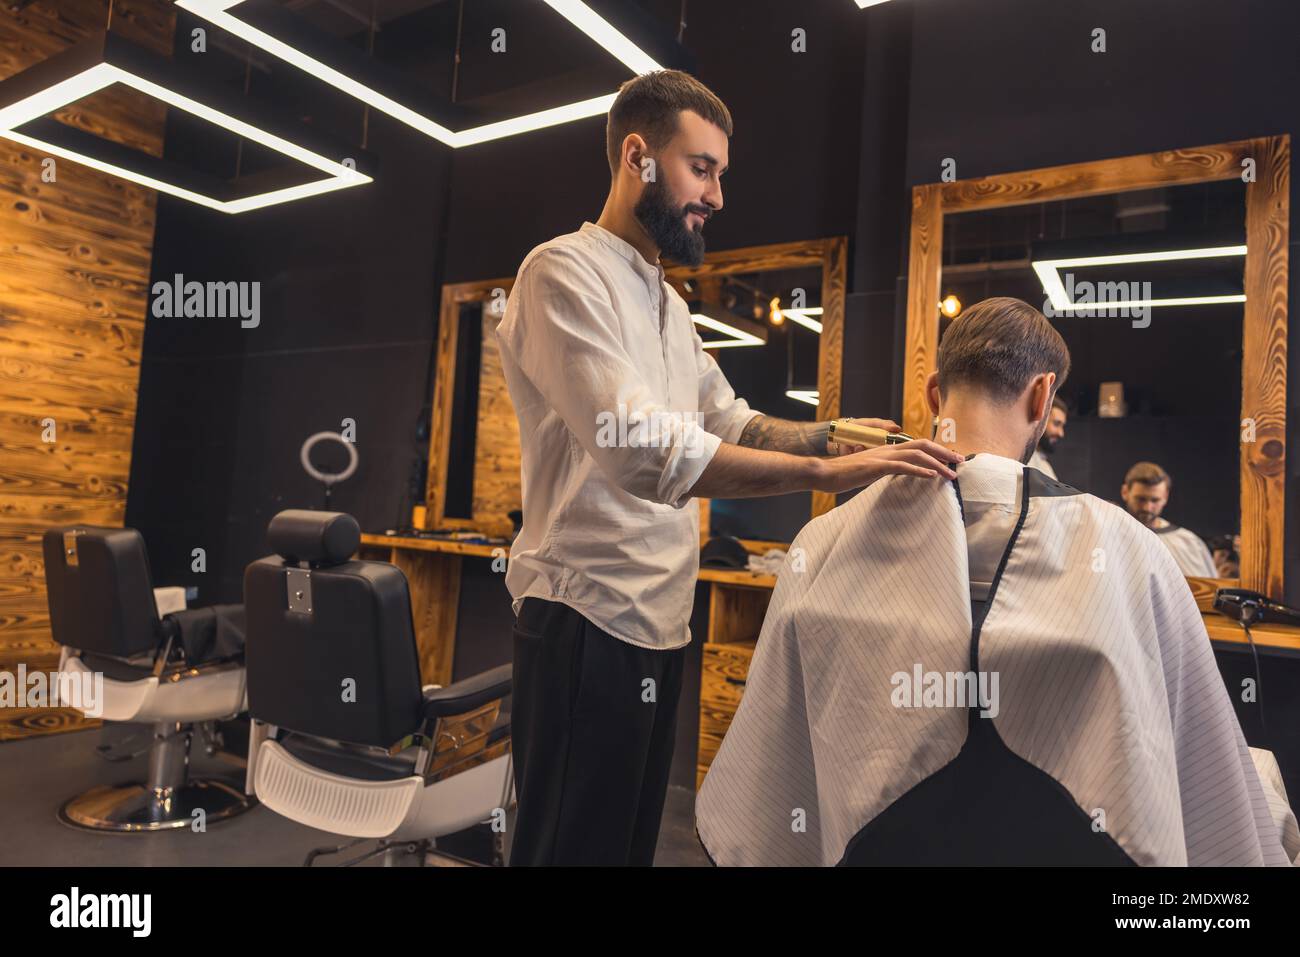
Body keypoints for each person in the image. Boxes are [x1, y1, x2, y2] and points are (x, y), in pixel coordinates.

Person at [494, 70, 963, 866]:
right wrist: (825, 479)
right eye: (700, 168)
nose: (716, 195)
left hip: (658, 621)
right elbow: (645, 450)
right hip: (584, 620)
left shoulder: (669, 306)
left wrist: (832, 438)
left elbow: (731, 419)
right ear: (637, 156)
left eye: (720, 173)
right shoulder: (560, 273)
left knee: (625, 849)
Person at [696, 297, 1289, 866]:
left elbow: (766, 785)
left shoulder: (822, 544)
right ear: (1041, 395)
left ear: (934, 394)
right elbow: (1209, 792)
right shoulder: (1131, 549)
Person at [1120, 462, 1218, 578]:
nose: (1147, 507)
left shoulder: (1189, 543)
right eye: (1141, 499)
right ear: (1125, 492)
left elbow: (1209, 588)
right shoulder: (1111, 535)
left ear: (1165, 497)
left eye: (1155, 500)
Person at [1027, 395, 1067, 479]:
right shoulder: (1021, 460)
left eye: (1062, 426)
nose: (1061, 433)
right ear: (1039, 420)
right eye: (1056, 424)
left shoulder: (1045, 465)